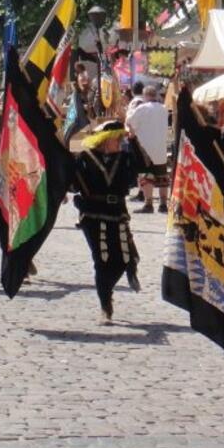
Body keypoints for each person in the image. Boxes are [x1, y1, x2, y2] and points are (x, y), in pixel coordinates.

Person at [71, 120, 143, 324]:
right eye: (117, 138)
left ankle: (107, 289)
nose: (120, 141)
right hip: (92, 214)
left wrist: (134, 141)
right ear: (106, 139)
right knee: (102, 261)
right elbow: (72, 181)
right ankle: (105, 306)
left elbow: (145, 166)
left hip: (117, 213)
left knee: (123, 259)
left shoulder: (125, 158)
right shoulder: (84, 159)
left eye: (122, 138)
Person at [125, 85, 170, 214]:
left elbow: (129, 122)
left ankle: (148, 203)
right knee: (162, 176)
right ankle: (163, 204)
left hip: (145, 147)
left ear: (145, 96)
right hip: (161, 147)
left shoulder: (141, 108)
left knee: (146, 175)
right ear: (155, 95)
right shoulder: (163, 109)